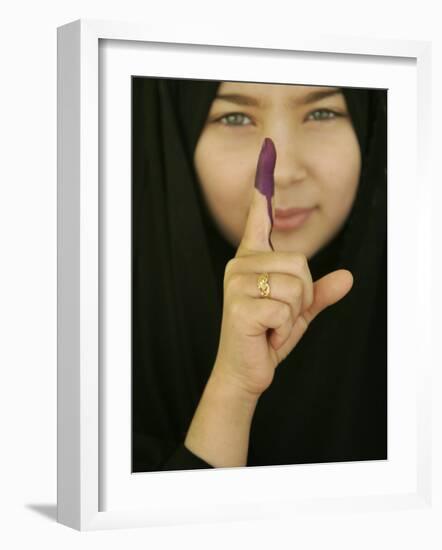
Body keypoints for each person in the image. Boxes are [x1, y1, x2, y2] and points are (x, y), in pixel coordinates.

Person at [132, 77, 387, 472]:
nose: (283, 173)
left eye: (322, 112)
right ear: (179, 133)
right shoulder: (109, 336)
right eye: (235, 117)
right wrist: (233, 388)